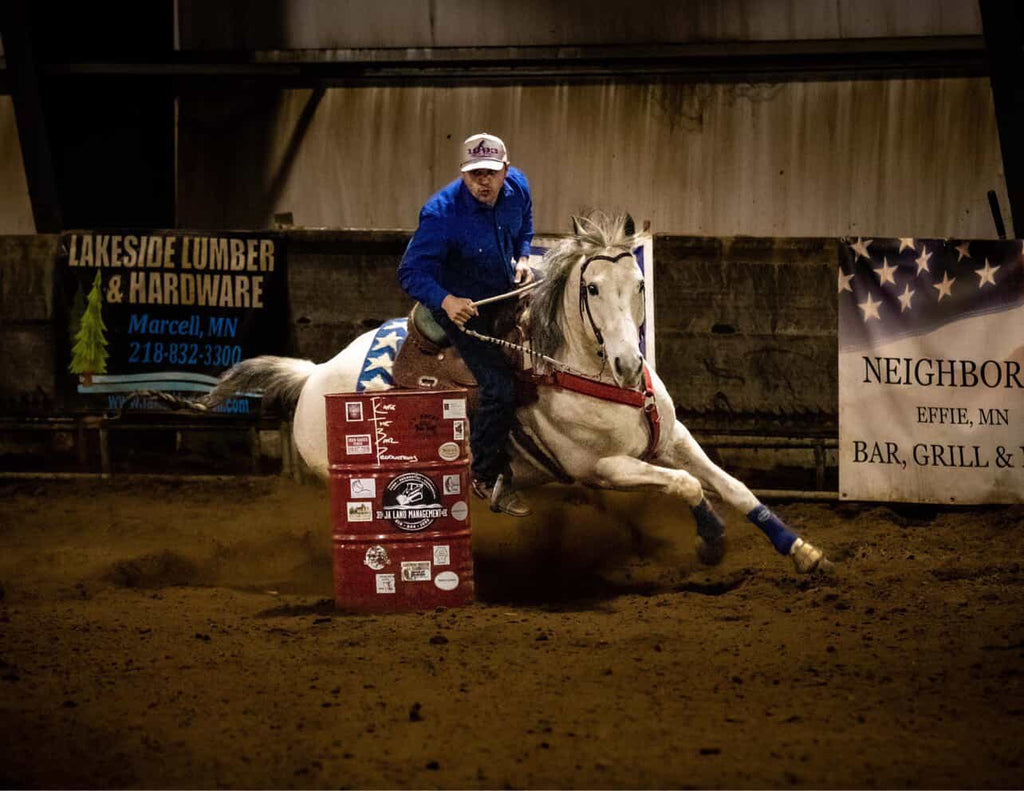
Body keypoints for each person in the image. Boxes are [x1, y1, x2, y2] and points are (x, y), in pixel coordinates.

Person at [398, 132, 534, 517]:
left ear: (506, 171)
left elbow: (525, 223)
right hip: (461, 307)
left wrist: (523, 254)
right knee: (498, 387)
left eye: (491, 173)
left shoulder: (519, 186)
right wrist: (446, 300)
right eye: (475, 174)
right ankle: (485, 473)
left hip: (503, 292)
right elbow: (409, 272)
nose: (483, 182)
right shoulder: (441, 213)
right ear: (463, 174)